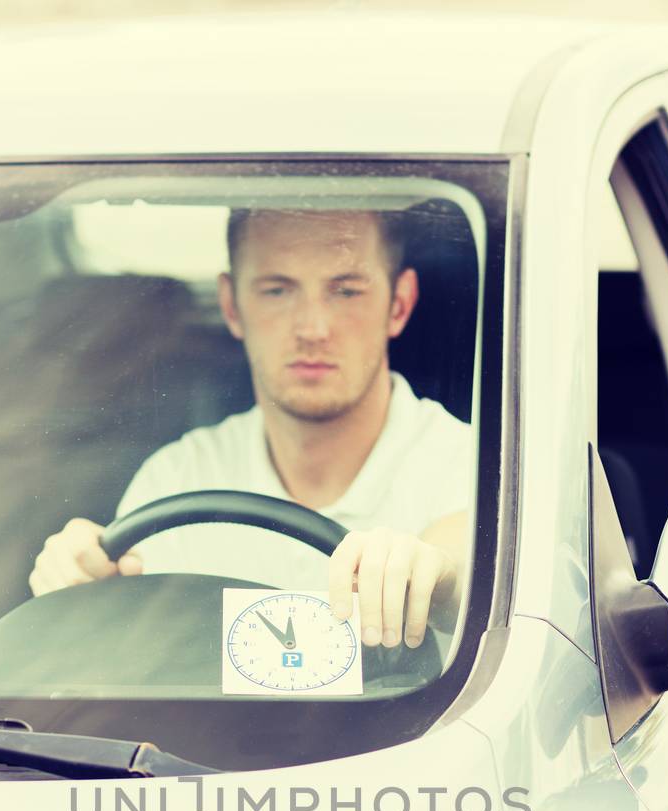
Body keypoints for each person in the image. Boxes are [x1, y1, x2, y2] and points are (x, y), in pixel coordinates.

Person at [28, 206, 473, 649]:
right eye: (278, 290)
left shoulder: (473, 467)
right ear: (231, 306)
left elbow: (461, 550)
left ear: (398, 304)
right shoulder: (178, 479)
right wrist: (80, 579)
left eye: (346, 291)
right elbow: (126, 659)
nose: (312, 328)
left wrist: (443, 579)